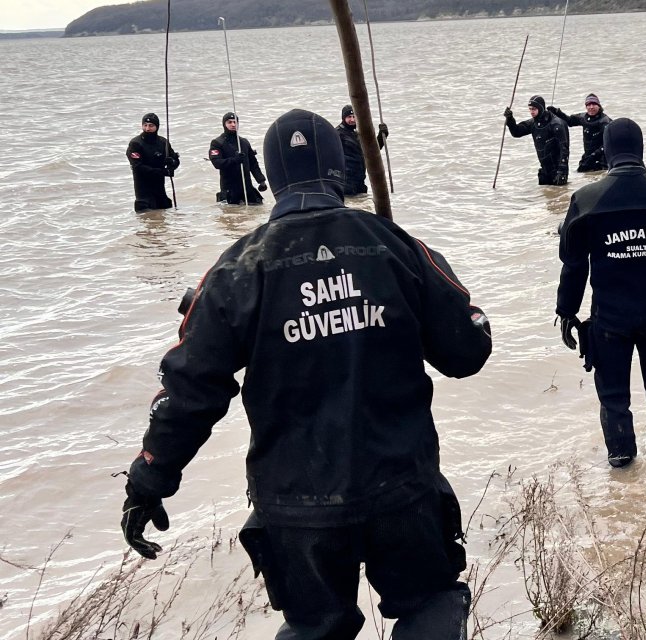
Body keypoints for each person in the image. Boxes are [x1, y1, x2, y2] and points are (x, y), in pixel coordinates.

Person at [119, 108, 492, 640]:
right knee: (430, 605)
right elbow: (467, 352)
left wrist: (149, 477)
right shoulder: (395, 245)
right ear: (338, 166)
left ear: (272, 177)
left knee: (316, 630)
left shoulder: (235, 270)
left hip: (296, 505)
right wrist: (462, 316)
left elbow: (189, 391)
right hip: (401, 486)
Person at [555, 118, 646, 468]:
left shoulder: (586, 199)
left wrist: (566, 311)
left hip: (611, 320)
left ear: (606, 151)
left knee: (615, 400)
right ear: (640, 148)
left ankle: (622, 469)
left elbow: (574, 263)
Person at [504, 95, 570, 185]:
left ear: (541, 108)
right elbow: (516, 132)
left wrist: (562, 170)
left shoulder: (557, 124)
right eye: (530, 109)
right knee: (545, 193)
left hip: (558, 170)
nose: (531, 112)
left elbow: (564, 148)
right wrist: (510, 119)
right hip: (545, 170)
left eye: (534, 109)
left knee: (561, 193)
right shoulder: (533, 123)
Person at [208, 112, 268, 205]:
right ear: (224, 124)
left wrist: (261, 181)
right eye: (229, 122)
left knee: (258, 210)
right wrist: (235, 160)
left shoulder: (244, 142)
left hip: (247, 188)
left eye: (235, 122)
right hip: (230, 190)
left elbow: (253, 164)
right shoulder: (217, 143)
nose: (233, 125)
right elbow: (217, 163)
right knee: (233, 213)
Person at [126, 112, 179, 212]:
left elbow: (175, 160)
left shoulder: (163, 142)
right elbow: (138, 167)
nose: (147, 129)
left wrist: (172, 163)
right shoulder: (135, 144)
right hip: (143, 194)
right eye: (145, 125)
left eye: (151, 126)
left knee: (166, 215)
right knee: (146, 217)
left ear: (157, 127)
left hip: (160, 194)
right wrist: (162, 172)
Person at [547, 93, 613, 172]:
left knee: (597, 175)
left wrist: (595, 155)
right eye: (589, 104)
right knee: (579, 173)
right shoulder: (583, 117)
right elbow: (569, 121)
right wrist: (557, 112)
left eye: (594, 104)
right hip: (588, 156)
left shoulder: (604, 121)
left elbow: (610, 142)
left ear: (599, 106)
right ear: (586, 106)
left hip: (602, 159)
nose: (591, 107)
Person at [335, 104, 389, 196]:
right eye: (349, 117)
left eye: (354, 117)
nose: (352, 120)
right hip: (346, 182)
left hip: (359, 180)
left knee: (362, 202)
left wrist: (382, 135)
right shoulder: (337, 134)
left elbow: (371, 152)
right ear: (343, 118)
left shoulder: (358, 134)